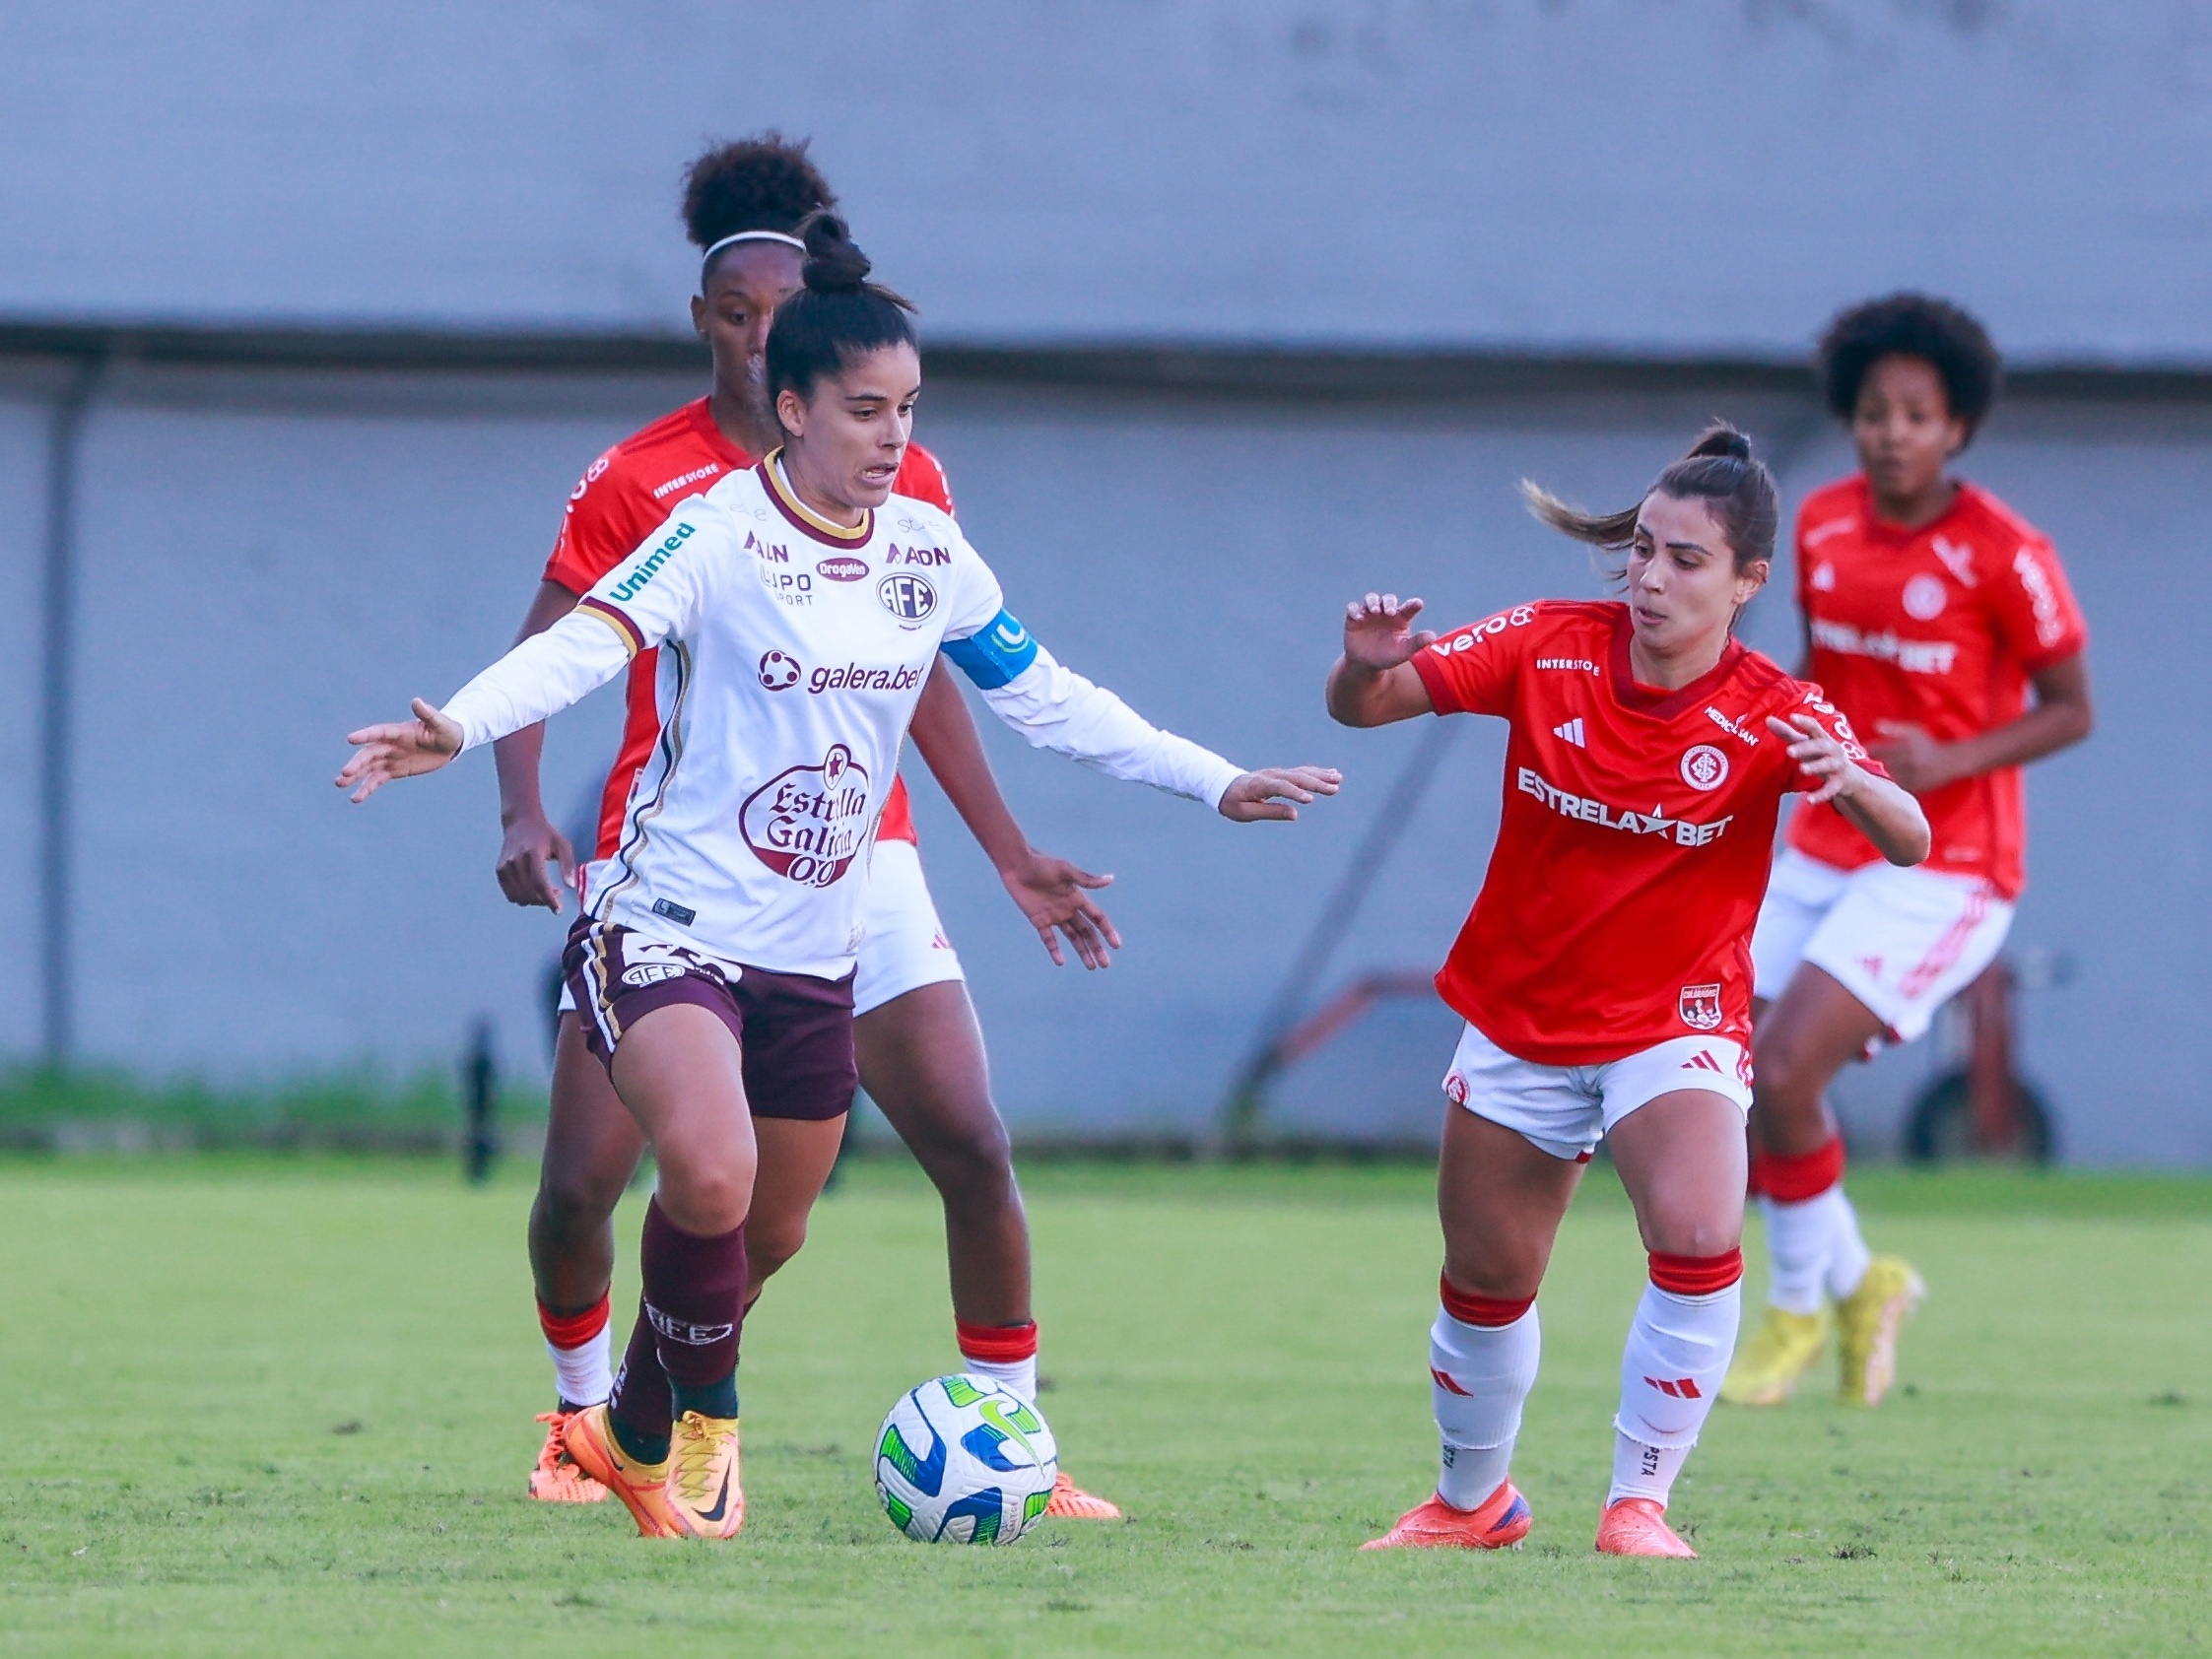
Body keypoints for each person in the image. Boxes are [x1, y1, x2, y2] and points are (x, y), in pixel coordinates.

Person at [339, 214, 1336, 1540]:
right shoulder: (710, 532)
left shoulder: (925, 548)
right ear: (792, 410)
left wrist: (1212, 779)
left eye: (908, 411)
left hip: (819, 948)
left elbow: (1047, 698)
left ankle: (627, 1425)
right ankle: (702, 1435)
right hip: (670, 925)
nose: (892, 438)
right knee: (708, 1174)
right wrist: (457, 731)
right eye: (866, 411)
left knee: (772, 1231)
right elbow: (581, 644)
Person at [497, 136, 1130, 1518]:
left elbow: (929, 679)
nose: (758, 337)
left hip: (862, 859)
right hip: (672, 867)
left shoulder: (904, 477)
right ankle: (577, 1411)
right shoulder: (647, 482)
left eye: (782, 313)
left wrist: (1009, 851)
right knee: (580, 1186)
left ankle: (1013, 1442)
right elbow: (558, 638)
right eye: (736, 316)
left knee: (960, 1136)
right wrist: (517, 803)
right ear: (712, 326)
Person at [1328, 426, 1928, 1559]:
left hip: (1676, 1019)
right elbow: (1364, 708)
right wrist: (1364, 661)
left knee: (1699, 1231)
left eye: (1686, 560)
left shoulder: (1775, 709)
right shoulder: (1547, 644)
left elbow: (1911, 836)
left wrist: (1850, 780)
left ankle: (1637, 1502)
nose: (1651, 576)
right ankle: (1473, 1504)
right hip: (1523, 1011)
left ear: (1748, 582)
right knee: (1486, 1274)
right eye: (1643, 549)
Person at [1721, 296, 2093, 1411]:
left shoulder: (2005, 553)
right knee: (1721, 1048)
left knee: (1786, 1068)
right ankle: (1860, 1279)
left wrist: (1950, 758)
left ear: (1957, 428)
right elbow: (1818, 669)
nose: (1890, 431)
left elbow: (2071, 707)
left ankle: (1794, 1308)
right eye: (1873, 411)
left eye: (1915, 414)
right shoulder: (1824, 525)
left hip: (1949, 864)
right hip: (1829, 839)